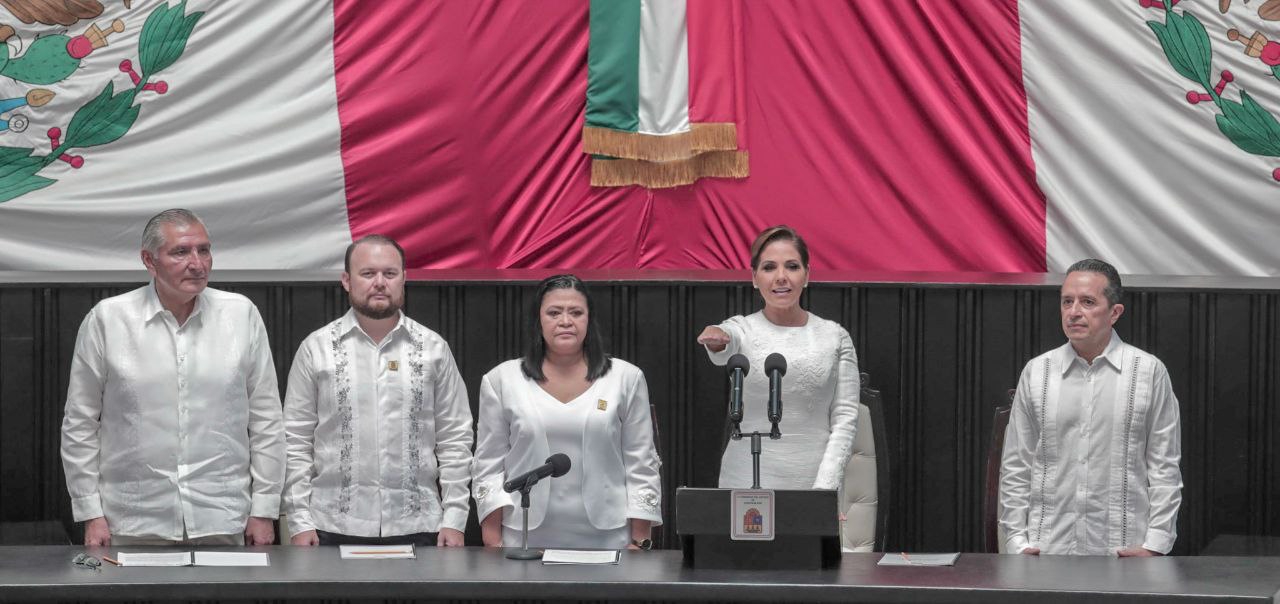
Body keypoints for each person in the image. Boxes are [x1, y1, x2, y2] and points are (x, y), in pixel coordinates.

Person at [60, 208, 285, 546]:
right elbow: (80, 423)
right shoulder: (108, 320)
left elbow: (267, 419)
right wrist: (90, 512)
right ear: (149, 260)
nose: (198, 263)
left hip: (222, 516)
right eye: (181, 252)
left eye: (204, 250)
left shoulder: (241, 315)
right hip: (132, 519)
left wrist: (265, 509)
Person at [282, 235, 472, 547]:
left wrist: (455, 519)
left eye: (390, 273)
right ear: (346, 280)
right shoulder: (317, 349)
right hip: (331, 526)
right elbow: (295, 441)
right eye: (368, 274)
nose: (380, 282)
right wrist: (299, 521)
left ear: (404, 279)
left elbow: (455, 439)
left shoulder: (433, 349)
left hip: (420, 526)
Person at [999, 258, 1182, 556]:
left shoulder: (1148, 372)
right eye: (1067, 301)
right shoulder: (1037, 373)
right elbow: (1017, 465)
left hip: (1123, 552)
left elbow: (1164, 466)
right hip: (1047, 551)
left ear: (1114, 312)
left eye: (1087, 302)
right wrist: (1017, 543)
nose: (1074, 312)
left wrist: (1155, 546)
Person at [472, 274, 662, 550]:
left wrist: (639, 537)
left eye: (576, 312)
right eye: (554, 312)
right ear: (538, 320)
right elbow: (488, 464)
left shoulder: (626, 378)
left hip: (608, 539)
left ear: (589, 319)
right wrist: (492, 538)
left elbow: (641, 462)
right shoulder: (502, 380)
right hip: (523, 537)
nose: (565, 321)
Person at [696, 225, 859, 490]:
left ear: (807, 275)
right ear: (754, 277)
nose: (781, 277)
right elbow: (725, 341)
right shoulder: (742, 328)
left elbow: (845, 419)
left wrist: (825, 488)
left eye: (792, 266)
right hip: (744, 481)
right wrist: (716, 339)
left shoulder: (835, 336)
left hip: (816, 483)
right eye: (769, 267)